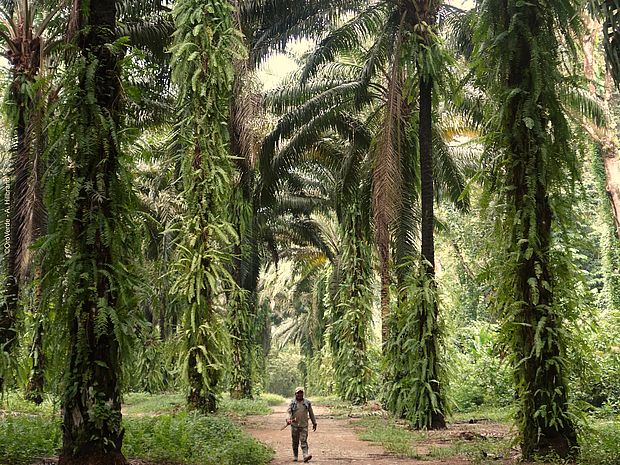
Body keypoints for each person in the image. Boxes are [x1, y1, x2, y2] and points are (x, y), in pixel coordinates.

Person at [286, 386, 317, 462]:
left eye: (301, 393)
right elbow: (289, 412)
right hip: (295, 425)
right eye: (298, 393)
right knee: (295, 441)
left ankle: (305, 455)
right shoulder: (292, 403)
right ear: (295, 394)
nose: (299, 395)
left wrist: (314, 422)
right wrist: (288, 419)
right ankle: (295, 456)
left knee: (303, 441)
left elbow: (311, 413)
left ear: (303, 394)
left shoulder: (307, 403)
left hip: (304, 425)